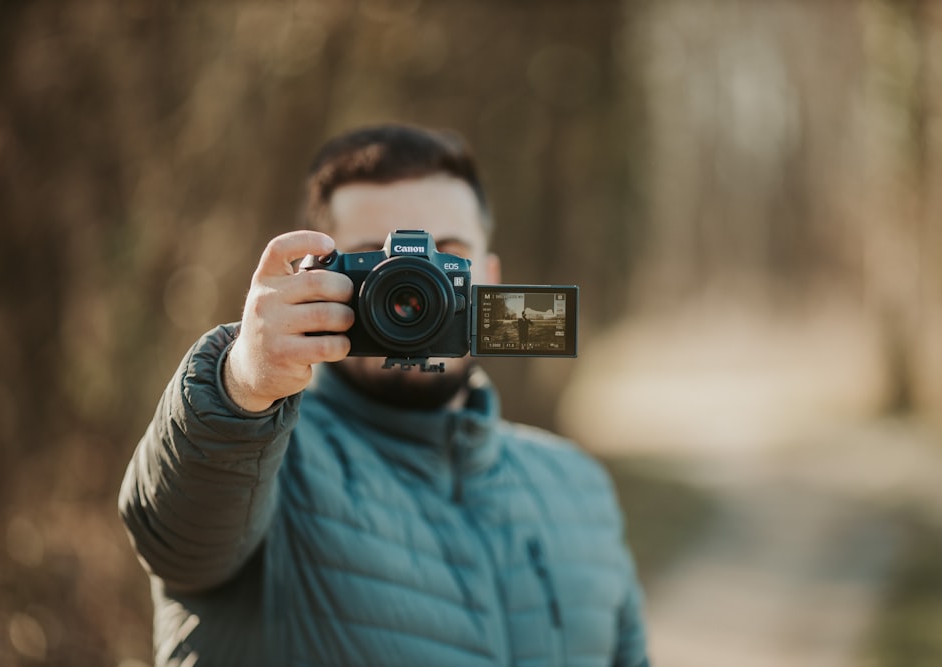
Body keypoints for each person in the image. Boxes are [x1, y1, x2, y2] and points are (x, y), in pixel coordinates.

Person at [119, 123, 650, 667]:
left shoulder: (579, 488)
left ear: (491, 282)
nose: (418, 290)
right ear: (316, 282)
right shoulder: (261, 462)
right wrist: (240, 382)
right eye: (378, 262)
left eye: (449, 258)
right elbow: (172, 539)